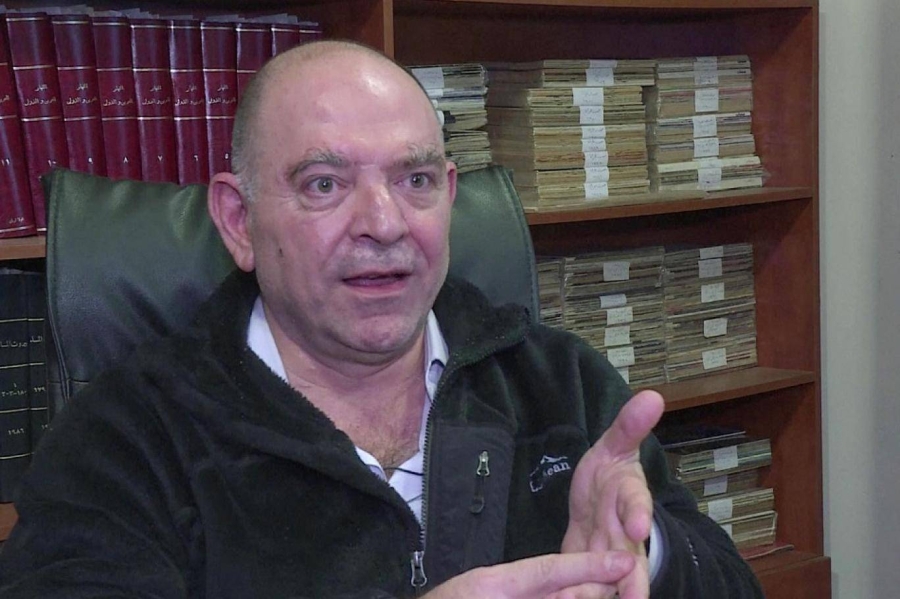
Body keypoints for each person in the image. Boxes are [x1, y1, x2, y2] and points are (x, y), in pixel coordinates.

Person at [0, 41, 763, 599]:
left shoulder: (559, 382)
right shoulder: (123, 439)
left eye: (415, 179)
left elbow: (731, 584)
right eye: (325, 184)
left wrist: (648, 553)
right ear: (238, 220)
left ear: (449, 196)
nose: (385, 221)